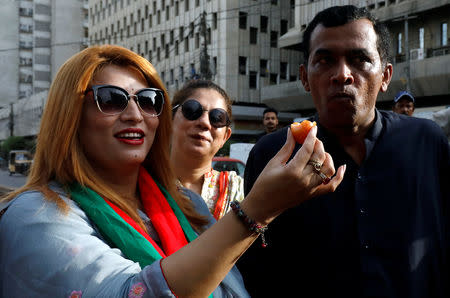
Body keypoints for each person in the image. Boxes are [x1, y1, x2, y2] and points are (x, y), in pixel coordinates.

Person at [0, 45, 346, 297]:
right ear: (70, 114)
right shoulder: (38, 214)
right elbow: (130, 293)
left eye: (148, 100)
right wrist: (258, 210)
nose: (135, 114)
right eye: (112, 98)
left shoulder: (188, 206)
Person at [238, 5, 450, 298]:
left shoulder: (427, 143)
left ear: (386, 76)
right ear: (304, 76)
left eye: (359, 59)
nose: (342, 75)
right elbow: (256, 265)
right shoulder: (275, 155)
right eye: (325, 60)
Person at [171, 80, 244, 220]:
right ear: (169, 120)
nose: (204, 122)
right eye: (192, 110)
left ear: (225, 136)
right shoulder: (140, 185)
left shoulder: (239, 190)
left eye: (217, 117)